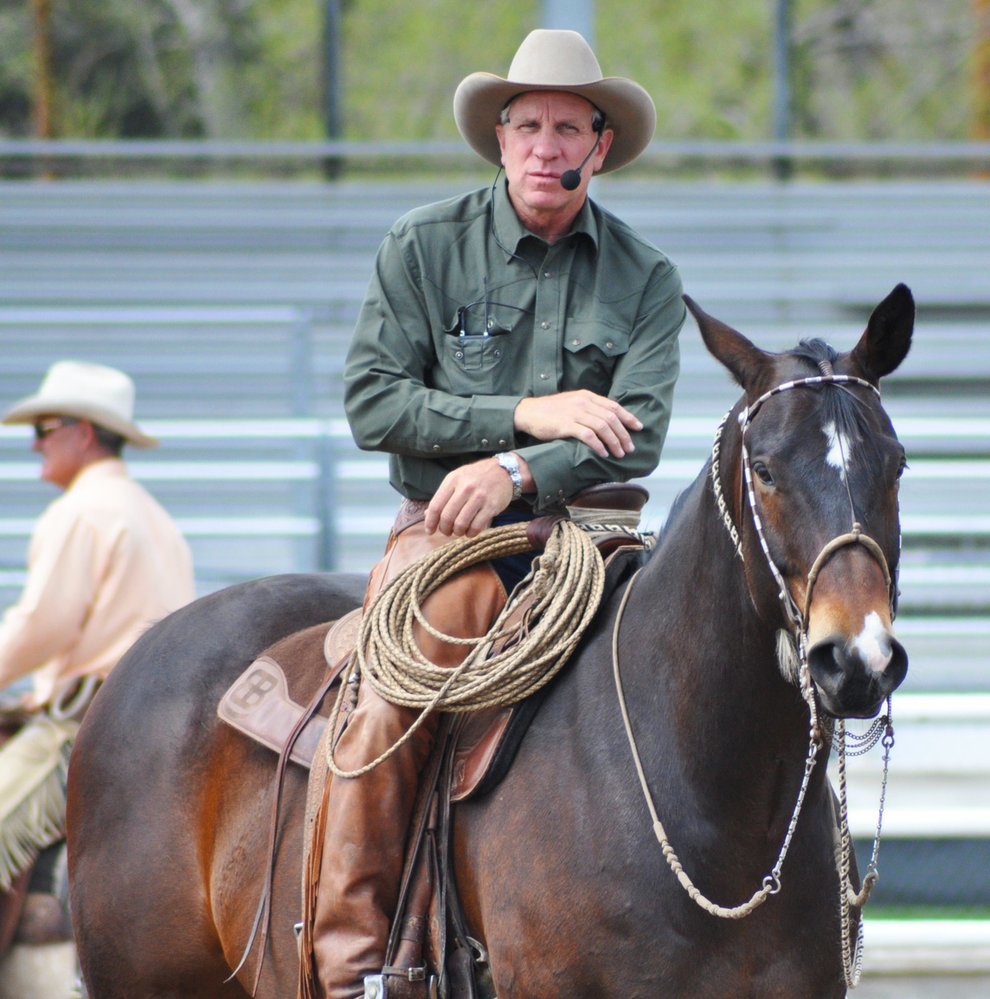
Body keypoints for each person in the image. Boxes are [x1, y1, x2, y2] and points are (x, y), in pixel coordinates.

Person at [299, 29, 686, 999]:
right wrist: (525, 413)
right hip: (449, 542)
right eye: (527, 127)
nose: (546, 148)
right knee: (399, 687)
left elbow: (635, 441)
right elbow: (374, 404)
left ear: (602, 146)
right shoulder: (424, 248)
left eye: (568, 128)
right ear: (499, 139)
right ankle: (350, 965)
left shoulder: (647, 280)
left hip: (593, 539)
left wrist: (516, 469)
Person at [0, 360, 195, 949]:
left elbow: (42, 623)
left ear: (83, 432)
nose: (34, 441)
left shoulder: (83, 511)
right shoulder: (152, 513)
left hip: (86, 723)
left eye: (45, 427)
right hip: (155, 718)